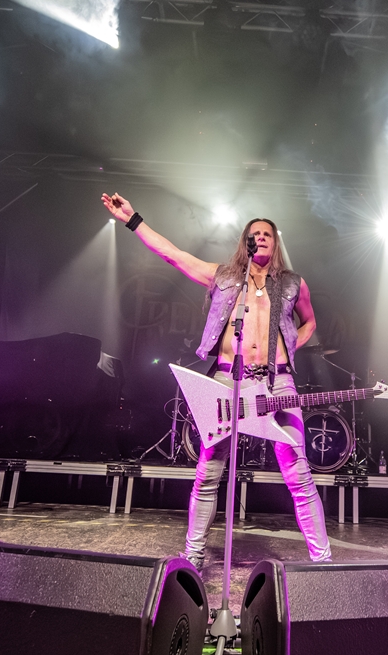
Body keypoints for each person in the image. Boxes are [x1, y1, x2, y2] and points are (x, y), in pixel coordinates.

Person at [101, 192, 331, 567]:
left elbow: (310, 322)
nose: (261, 237)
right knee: (208, 471)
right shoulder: (222, 276)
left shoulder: (293, 284)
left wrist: (289, 345)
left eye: (267, 234)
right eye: (254, 233)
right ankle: (192, 556)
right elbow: (173, 255)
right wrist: (133, 219)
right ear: (245, 241)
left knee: (299, 474)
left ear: (275, 244)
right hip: (227, 380)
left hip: (278, 382)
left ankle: (323, 562)